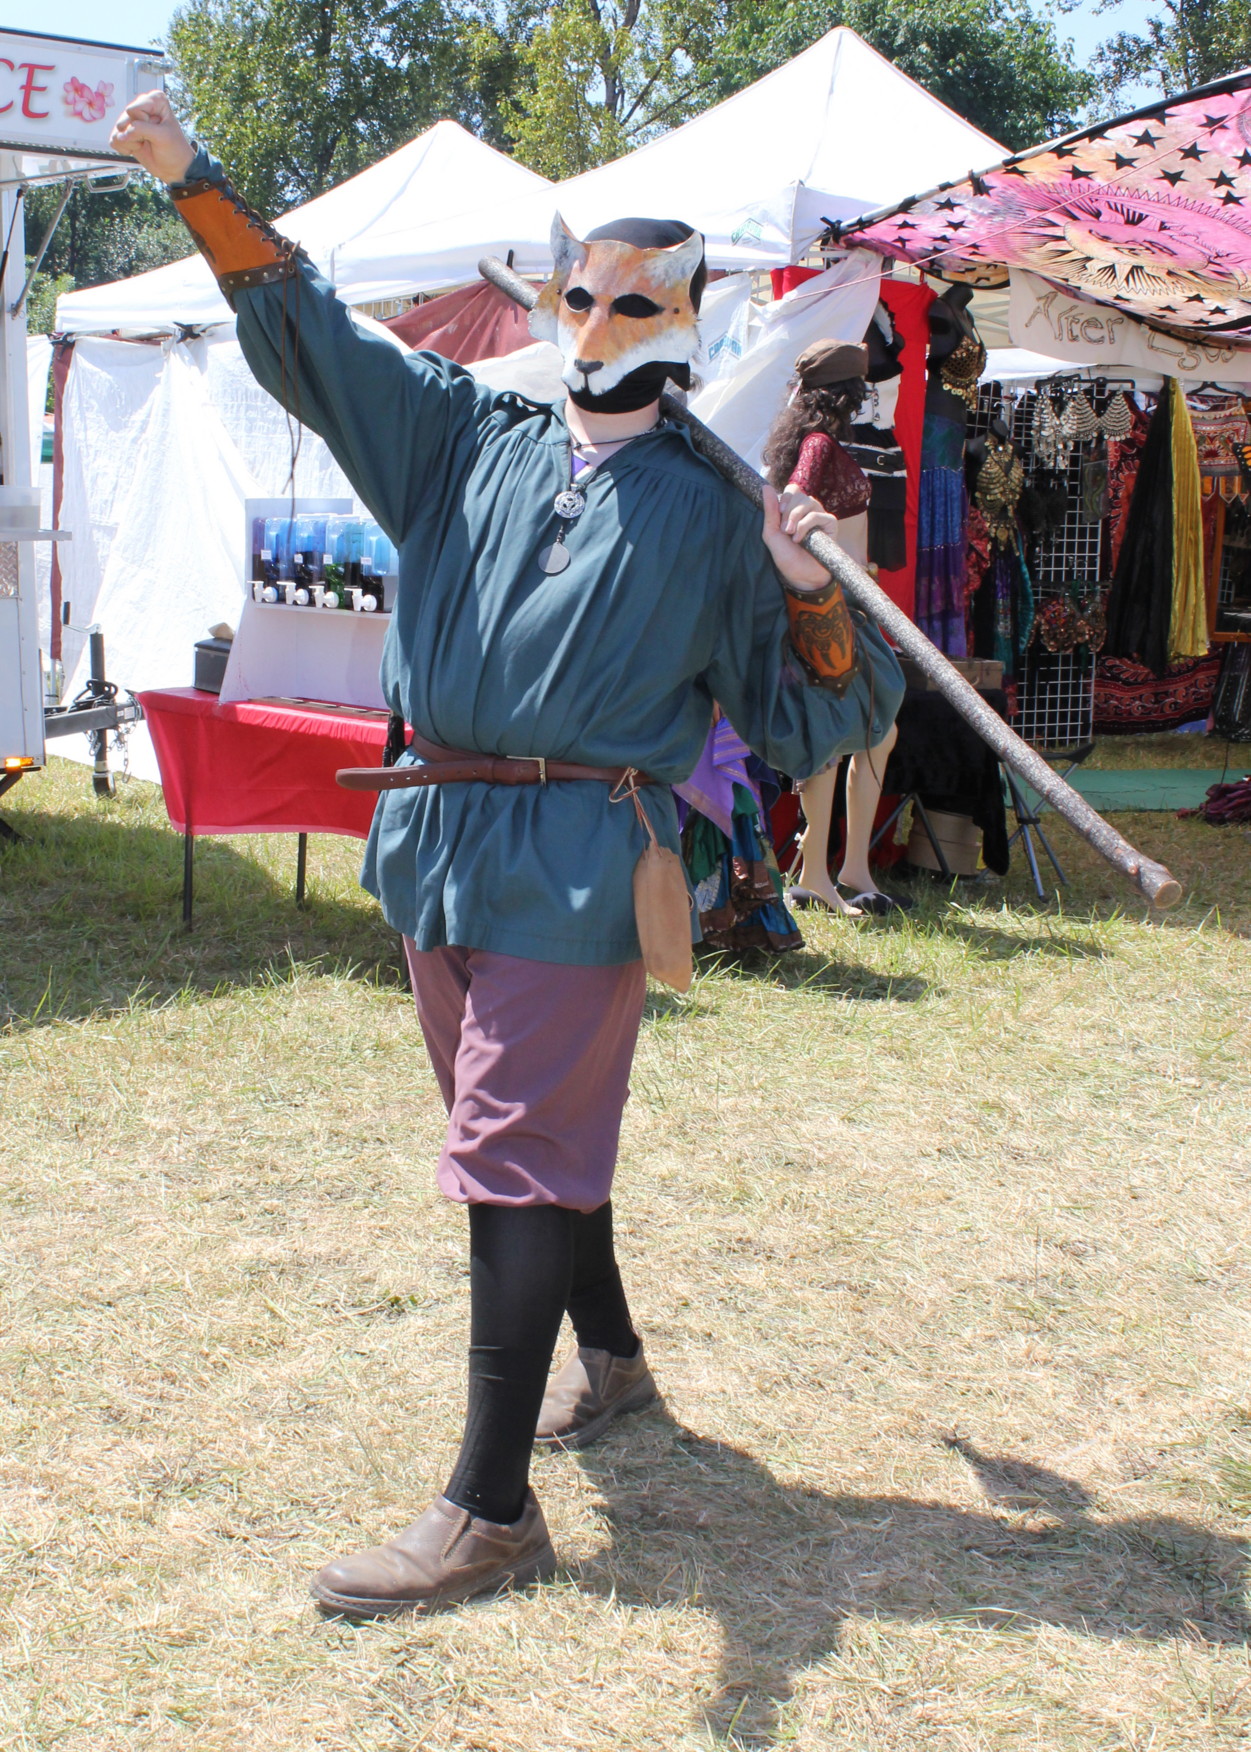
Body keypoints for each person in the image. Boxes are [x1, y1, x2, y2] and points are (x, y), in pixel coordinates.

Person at [110, 91, 904, 1619]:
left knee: (514, 1157)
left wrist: (806, 587)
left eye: (633, 303)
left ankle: (487, 1511)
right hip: (441, 839)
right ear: (552, 301)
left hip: (583, 858)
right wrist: (191, 178)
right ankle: (610, 1363)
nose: (597, 324)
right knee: (523, 1145)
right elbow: (311, 334)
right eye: (581, 295)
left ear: (686, 319)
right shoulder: (462, 434)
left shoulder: (713, 511)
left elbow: (821, 715)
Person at [764, 341, 909, 917]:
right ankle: (823, 873)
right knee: (853, 734)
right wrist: (818, 523)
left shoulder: (807, 440)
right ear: (851, 393)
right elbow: (792, 499)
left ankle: (835, 870)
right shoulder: (820, 443)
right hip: (835, 606)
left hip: (840, 603)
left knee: (859, 733)